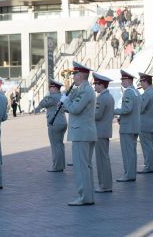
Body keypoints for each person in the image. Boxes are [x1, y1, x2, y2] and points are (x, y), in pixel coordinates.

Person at [61, 61, 96, 206]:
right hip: (83, 132)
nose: (73, 76)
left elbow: (75, 109)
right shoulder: (81, 89)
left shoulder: (86, 90)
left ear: (81, 74)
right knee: (85, 166)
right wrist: (67, 100)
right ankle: (88, 196)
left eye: (75, 74)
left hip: (82, 133)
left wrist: (65, 101)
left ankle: (84, 197)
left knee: (81, 167)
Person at [114, 70, 141, 182]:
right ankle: (131, 173)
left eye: (123, 80)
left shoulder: (128, 92)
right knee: (132, 152)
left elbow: (127, 109)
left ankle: (128, 175)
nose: (122, 82)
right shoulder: (136, 92)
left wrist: (114, 111)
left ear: (129, 80)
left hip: (127, 127)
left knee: (127, 152)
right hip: (134, 125)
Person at [37, 79, 67, 172]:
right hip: (62, 122)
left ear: (54, 88)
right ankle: (61, 165)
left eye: (50, 87)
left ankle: (57, 167)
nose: (49, 89)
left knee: (55, 145)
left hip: (54, 123)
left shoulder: (52, 97)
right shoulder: (62, 96)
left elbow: (41, 104)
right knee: (60, 145)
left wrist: (46, 96)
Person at [92, 72, 115, 193]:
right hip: (104, 131)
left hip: (100, 131)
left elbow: (98, 115)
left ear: (101, 85)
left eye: (96, 84)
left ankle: (105, 185)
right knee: (103, 158)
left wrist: (86, 113)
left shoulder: (102, 98)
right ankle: (105, 184)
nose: (95, 87)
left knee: (102, 160)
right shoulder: (109, 96)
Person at [137, 72, 153, 173]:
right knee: (151, 146)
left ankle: (148, 166)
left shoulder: (147, 93)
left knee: (146, 146)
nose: (140, 84)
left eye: (141, 81)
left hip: (144, 123)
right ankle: (151, 166)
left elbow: (141, 109)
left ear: (145, 81)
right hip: (151, 122)